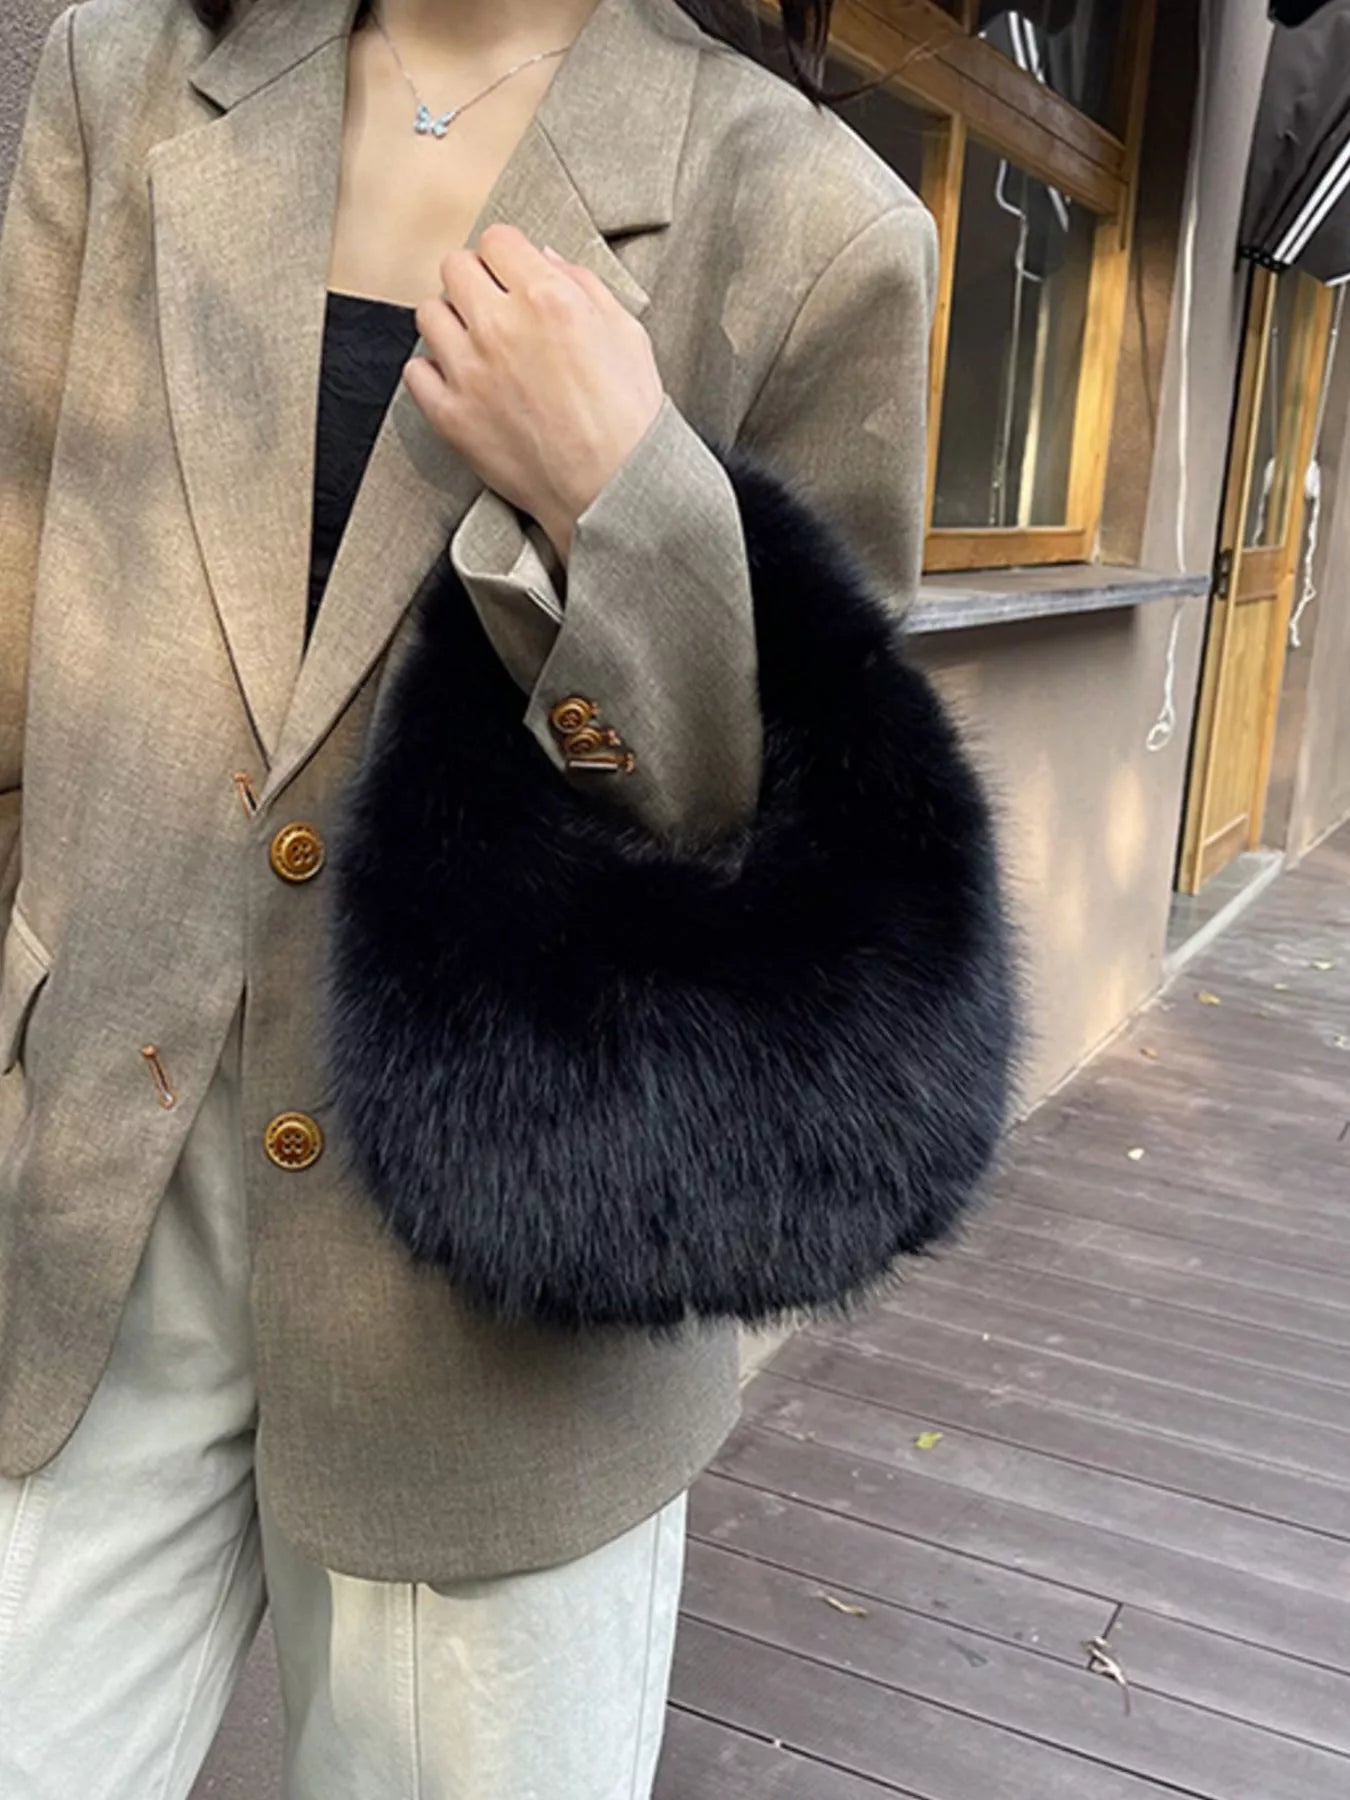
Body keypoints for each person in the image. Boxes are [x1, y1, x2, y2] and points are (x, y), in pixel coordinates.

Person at [0, 0, 938, 1792]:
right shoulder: (126, 81)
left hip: (505, 1308)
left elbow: (805, 846)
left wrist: (627, 505)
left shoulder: (811, 221)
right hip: (84, 1221)